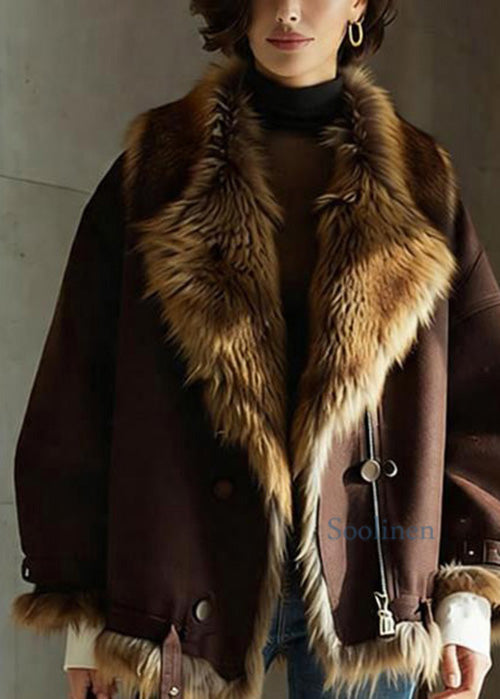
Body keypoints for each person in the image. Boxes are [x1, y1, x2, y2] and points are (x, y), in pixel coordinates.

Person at [10, 1, 500, 698]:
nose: (288, 11)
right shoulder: (158, 168)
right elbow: (75, 391)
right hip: (180, 584)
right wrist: (82, 610)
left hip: (373, 587)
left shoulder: (422, 183)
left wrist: (466, 605)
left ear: (358, 4)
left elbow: (483, 404)